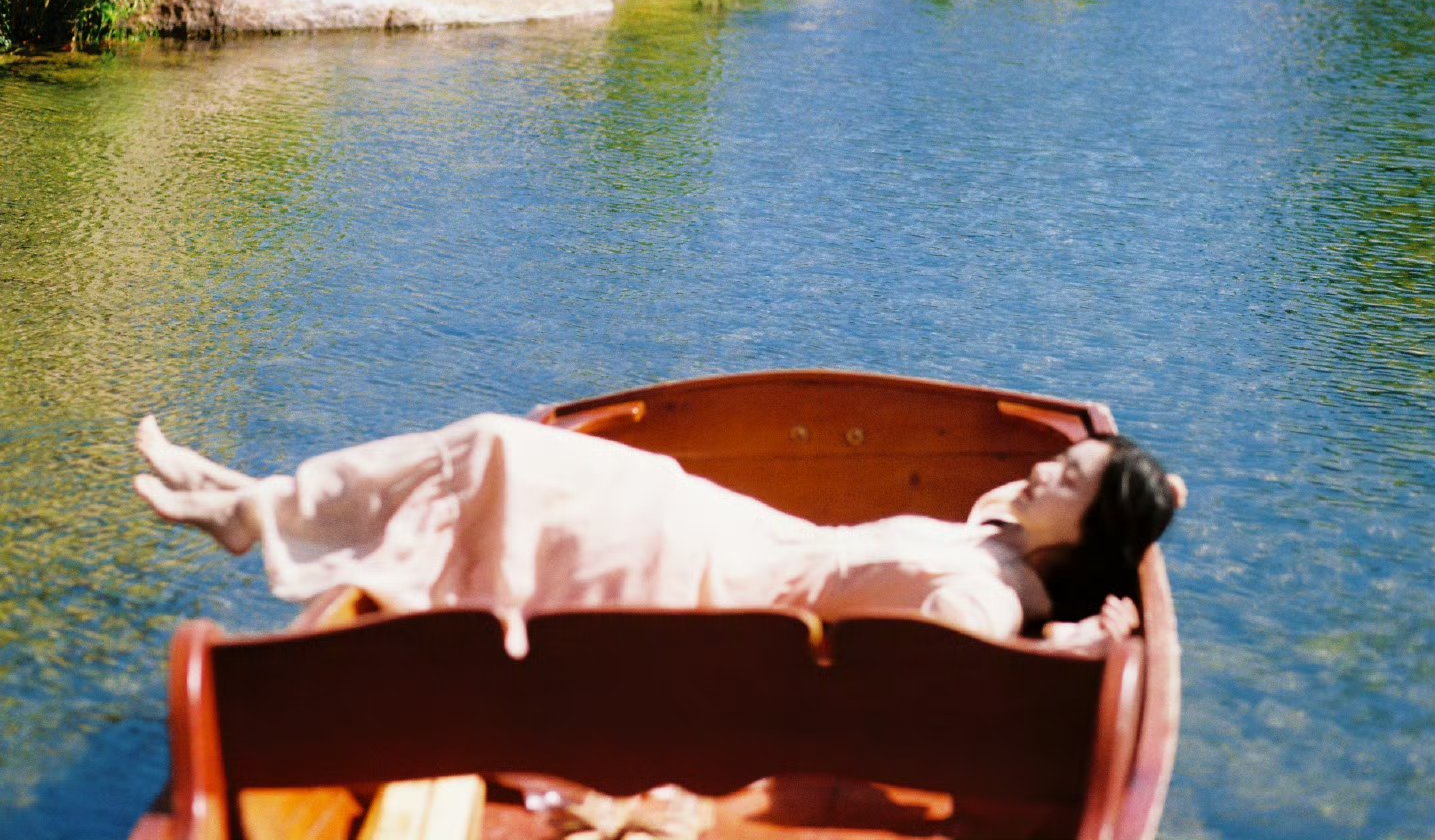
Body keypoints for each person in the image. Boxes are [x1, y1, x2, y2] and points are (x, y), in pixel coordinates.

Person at [133, 412, 1185, 656]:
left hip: (717, 586)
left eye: (1066, 476)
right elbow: (1045, 506)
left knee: (499, 453)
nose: (1041, 467)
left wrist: (1071, 651)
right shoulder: (1001, 536)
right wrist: (1147, 495)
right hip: (734, 533)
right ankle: (259, 503)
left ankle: (255, 512)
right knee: (497, 446)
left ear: (1084, 528)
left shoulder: (986, 600)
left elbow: (952, 676)